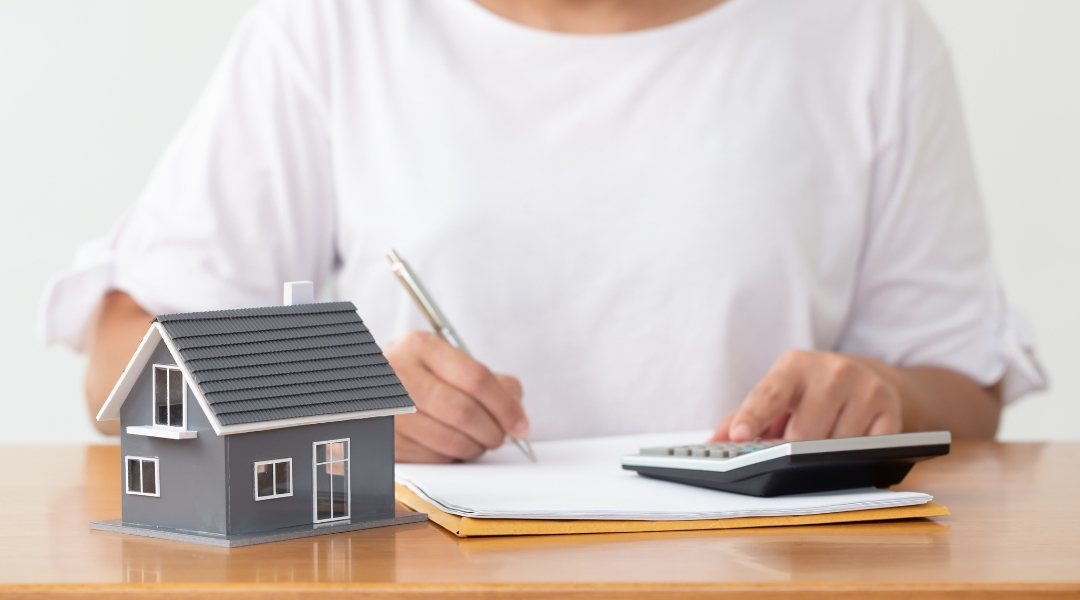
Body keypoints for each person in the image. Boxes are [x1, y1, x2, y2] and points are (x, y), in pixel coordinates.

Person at [41, 0, 1045, 463]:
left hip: (765, 579)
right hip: (403, 579)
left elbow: (965, 390)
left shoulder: (867, 34)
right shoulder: (334, 27)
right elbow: (120, 366)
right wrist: (338, 398)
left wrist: (884, 394)